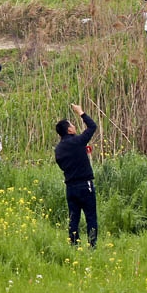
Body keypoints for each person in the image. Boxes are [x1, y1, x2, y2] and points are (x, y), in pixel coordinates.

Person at [54, 103, 98, 248]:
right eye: (72, 125)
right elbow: (92, 127)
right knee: (91, 216)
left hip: (70, 187)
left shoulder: (58, 149)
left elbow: (62, 165)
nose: (74, 127)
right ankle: (92, 246)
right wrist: (81, 112)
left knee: (74, 218)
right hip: (85, 185)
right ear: (69, 130)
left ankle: (74, 245)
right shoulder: (78, 141)